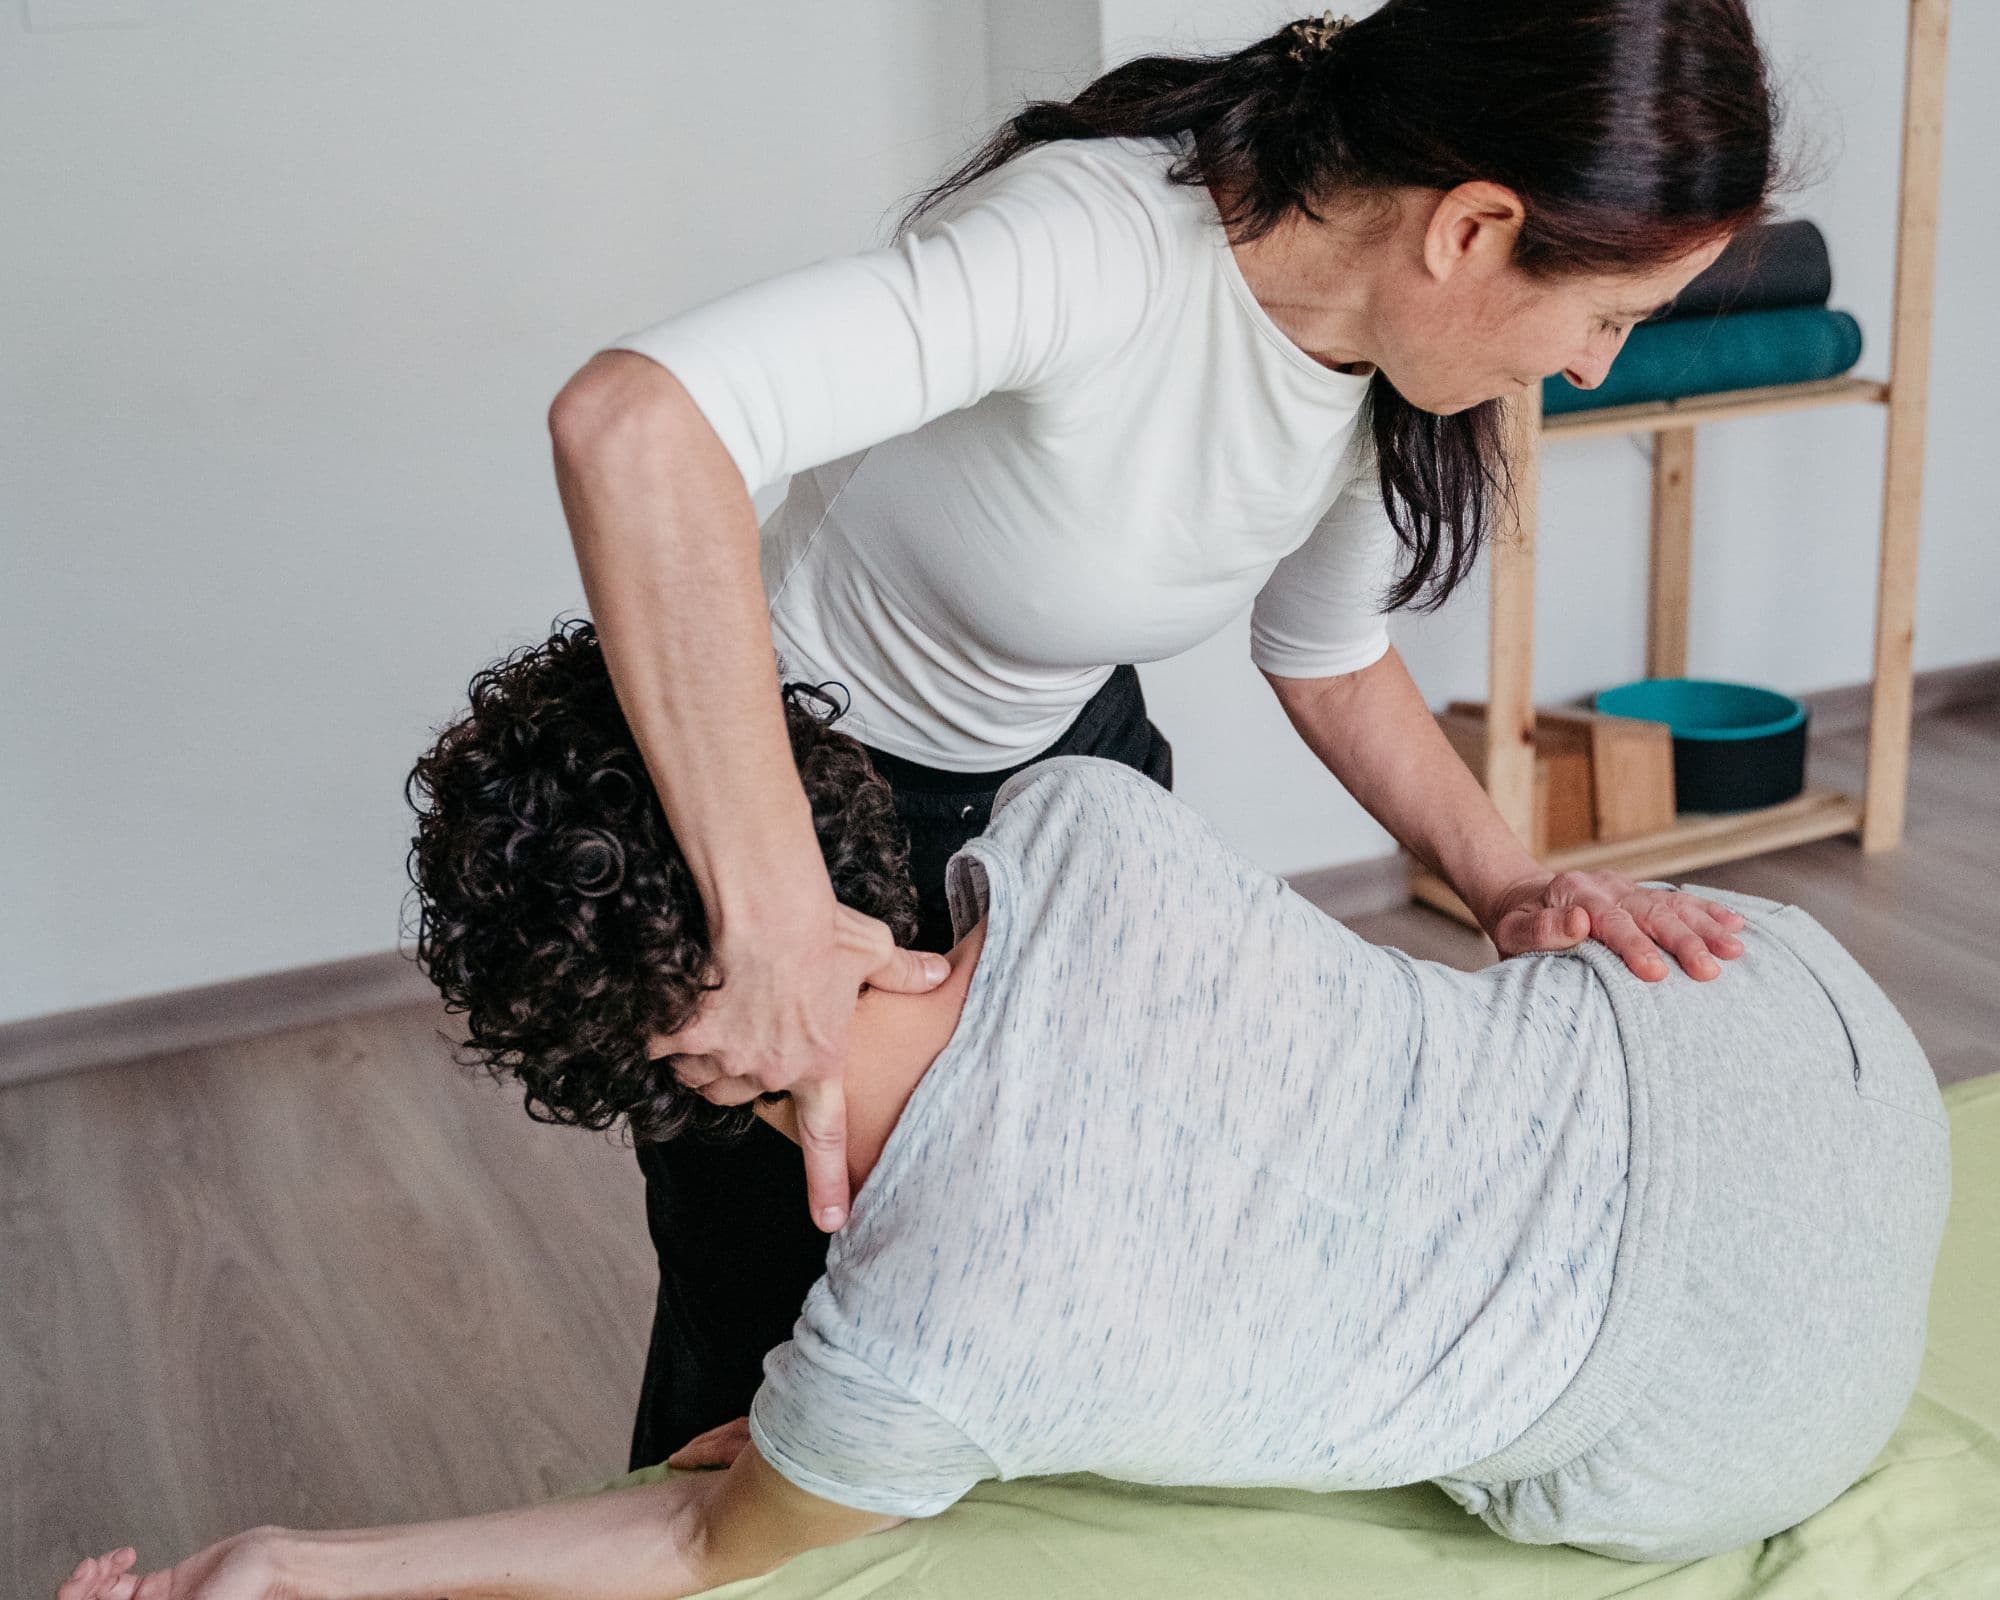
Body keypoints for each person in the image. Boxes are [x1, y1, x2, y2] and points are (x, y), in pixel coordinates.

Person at [57, 620, 1948, 1600]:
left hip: (1743, 1404)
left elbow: (693, 1548)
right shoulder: (1080, 823)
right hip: (1778, 1017)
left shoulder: (923, 1342)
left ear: (680, 1064)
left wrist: (290, 1563)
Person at [545, 0, 1790, 1469]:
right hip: (791, 799)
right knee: (781, 1335)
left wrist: (1515, 885)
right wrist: (768, 921)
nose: (1593, 366)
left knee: (1066, 1297)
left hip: (1074, 800)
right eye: (1605, 316)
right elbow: (637, 424)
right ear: (1471, 228)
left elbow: (1327, 657)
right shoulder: (1099, 244)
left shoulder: (1383, 366)